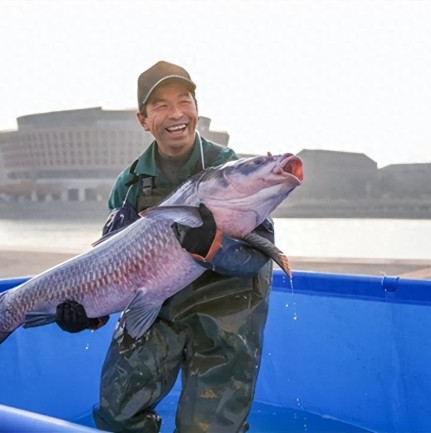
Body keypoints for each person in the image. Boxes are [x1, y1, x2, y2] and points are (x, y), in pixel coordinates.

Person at [56, 61, 275, 433]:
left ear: (196, 108)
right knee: (117, 414)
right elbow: (111, 265)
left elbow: (258, 254)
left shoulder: (232, 171)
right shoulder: (129, 185)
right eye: (160, 105)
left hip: (226, 317)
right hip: (159, 312)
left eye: (184, 100)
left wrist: (212, 245)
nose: (176, 114)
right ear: (143, 120)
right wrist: (88, 313)